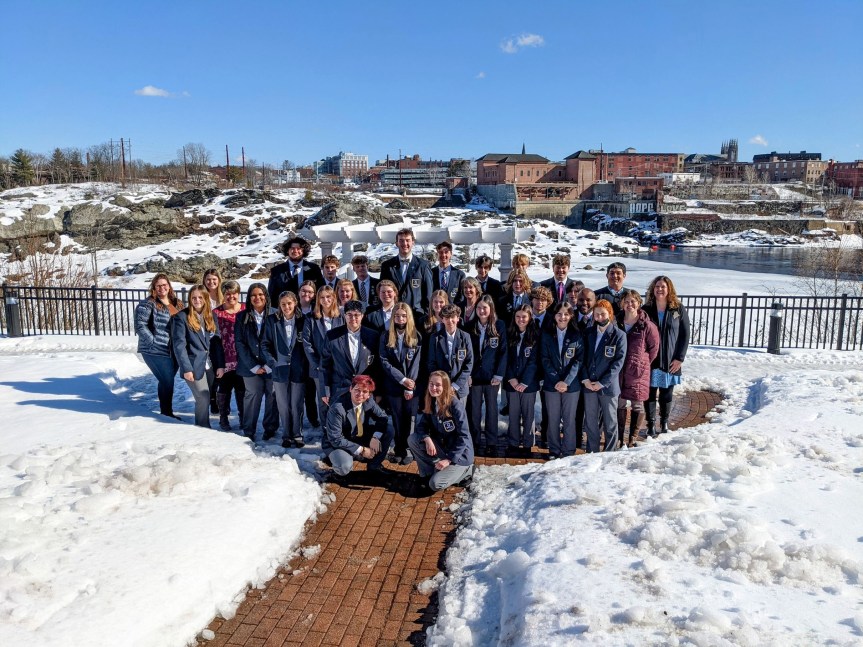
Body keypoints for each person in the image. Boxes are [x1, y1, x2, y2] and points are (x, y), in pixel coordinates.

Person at [408, 371, 475, 493]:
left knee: (436, 484)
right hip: (444, 449)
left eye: (438, 385)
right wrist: (427, 438)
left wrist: (449, 460)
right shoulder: (432, 402)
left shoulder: (455, 405)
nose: (433, 388)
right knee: (413, 439)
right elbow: (421, 426)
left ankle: (467, 472)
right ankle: (426, 474)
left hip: (460, 456)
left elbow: (464, 437)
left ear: (445, 386)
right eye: (431, 384)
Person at [642, 275, 691, 436]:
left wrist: (680, 358)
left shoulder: (677, 308)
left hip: (671, 361)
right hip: (651, 360)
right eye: (657, 287)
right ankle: (650, 425)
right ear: (652, 289)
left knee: (666, 393)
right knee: (649, 393)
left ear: (669, 289)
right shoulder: (647, 309)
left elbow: (685, 334)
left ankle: (664, 423)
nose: (660, 289)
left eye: (663, 286)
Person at [580, 300, 627, 453]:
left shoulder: (619, 335)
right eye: (597, 314)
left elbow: (618, 363)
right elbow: (582, 358)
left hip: (607, 387)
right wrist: (586, 379)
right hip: (589, 385)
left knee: (610, 422)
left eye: (603, 314)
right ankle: (592, 451)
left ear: (610, 314)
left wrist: (602, 382)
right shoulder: (588, 334)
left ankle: (610, 452)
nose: (600, 317)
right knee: (591, 422)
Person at [323, 375, 391, 481]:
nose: (360, 394)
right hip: (339, 443)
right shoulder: (337, 408)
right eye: (357, 390)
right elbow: (335, 439)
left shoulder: (369, 401)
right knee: (344, 467)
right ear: (350, 389)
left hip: (359, 436)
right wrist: (362, 450)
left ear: (369, 394)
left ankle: (374, 466)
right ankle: (337, 461)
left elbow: (383, 417)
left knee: (389, 429)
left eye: (365, 391)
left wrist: (376, 437)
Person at [379, 303, 423, 465]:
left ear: (408, 317)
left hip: (412, 386)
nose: (400, 318)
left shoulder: (415, 335)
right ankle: (399, 449)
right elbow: (384, 361)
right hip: (393, 385)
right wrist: (402, 380)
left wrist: (409, 385)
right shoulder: (385, 336)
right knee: (397, 419)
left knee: (410, 419)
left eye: (404, 315)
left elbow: (417, 363)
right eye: (397, 316)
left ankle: (411, 450)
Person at [134, 273, 183, 420]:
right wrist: (153, 342)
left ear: (169, 286)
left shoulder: (177, 303)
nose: (162, 288)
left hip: (173, 349)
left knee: (166, 380)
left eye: (164, 285)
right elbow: (140, 325)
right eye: (158, 285)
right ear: (154, 288)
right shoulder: (148, 303)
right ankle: (166, 413)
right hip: (154, 350)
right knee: (167, 379)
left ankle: (166, 412)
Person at [263, 291, 308, 448]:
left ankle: (297, 434)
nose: (287, 307)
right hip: (279, 369)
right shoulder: (272, 321)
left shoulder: (303, 320)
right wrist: (272, 361)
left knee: (296, 404)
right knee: (283, 404)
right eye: (283, 304)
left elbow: (308, 344)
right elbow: (265, 344)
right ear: (279, 306)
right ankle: (286, 435)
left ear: (295, 303)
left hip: (298, 368)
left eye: (289, 303)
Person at [235, 283, 279, 441]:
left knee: (272, 395)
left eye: (260, 294)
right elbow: (240, 343)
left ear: (266, 296)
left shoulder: (275, 314)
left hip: (271, 365)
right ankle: (248, 430)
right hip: (250, 366)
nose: (257, 298)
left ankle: (270, 428)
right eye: (253, 295)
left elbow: (279, 342)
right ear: (249, 298)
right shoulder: (242, 316)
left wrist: (269, 364)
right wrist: (253, 366)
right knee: (252, 395)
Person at [615, 290, 660, 447]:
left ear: (639, 304)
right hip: (619, 370)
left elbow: (653, 349)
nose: (629, 304)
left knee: (637, 404)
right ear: (622, 304)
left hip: (637, 371)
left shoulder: (647, 326)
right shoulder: (616, 322)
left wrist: (641, 362)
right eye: (626, 301)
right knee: (619, 403)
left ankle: (632, 437)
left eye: (633, 301)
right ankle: (620, 438)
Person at [540, 302, 584, 458]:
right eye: (559, 314)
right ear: (554, 316)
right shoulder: (547, 334)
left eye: (566, 314)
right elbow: (544, 359)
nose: (562, 317)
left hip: (571, 386)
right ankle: (554, 449)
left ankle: (568, 450)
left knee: (569, 419)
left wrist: (566, 381)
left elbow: (578, 361)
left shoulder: (577, 335)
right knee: (553, 418)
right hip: (551, 384)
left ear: (571, 315)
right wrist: (556, 380)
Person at [171, 284, 218, 428]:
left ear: (205, 299)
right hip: (193, 365)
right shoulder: (181, 317)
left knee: (207, 396)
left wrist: (220, 365)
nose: (197, 300)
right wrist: (186, 369)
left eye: (200, 297)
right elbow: (179, 346)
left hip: (210, 365)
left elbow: (217, 342)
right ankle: (203, 428)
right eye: (193, 298)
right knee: (202, 397)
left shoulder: (211, 316)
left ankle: (204, 424)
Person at [465, 295, 507, 455]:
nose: (482, 311)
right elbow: (466, 352)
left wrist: (499, 375)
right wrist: (467, 374)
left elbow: (503, 352)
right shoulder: (469, 326)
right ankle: (474, 441)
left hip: (492, 377)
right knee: (474, 410)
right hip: (474, 377)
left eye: (485, 308)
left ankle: (491, 442)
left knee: (492, 410)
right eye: (479, 308)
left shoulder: (499, 325)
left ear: (491, 309)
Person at [321, 300, 380, 403]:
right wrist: (325, 391)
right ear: (344, 315)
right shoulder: (332, 336)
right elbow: (324, 365)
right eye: (349, 315)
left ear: (362, 316)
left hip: (364, 391)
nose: (353, 318)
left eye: (357, 315)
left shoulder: (373, 336)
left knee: (361, 419)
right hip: (339, 390)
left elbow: (377, 367)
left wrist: (378, 392)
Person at [302, 286, 343, 426]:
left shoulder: (341, 317)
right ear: (318, 299)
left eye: (329, 297)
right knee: (323, 400)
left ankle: (338, 430)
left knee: (338, 399)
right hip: (319, 367)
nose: (326, 300)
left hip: (339, 367)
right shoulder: (311, 319)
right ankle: (326, 432)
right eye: (322, 297)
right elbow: (307, 344)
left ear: (333, 298)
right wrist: (317, 364)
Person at [504, 305, 540, 456]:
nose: (521, 320)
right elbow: (506, 358)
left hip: (528, 384)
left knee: (528, 415)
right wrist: (511, 378)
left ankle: (527, 443)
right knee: (513, 413)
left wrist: (524, 382)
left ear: (530, 318)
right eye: (518, 316)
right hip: (512, 382)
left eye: (524, 317)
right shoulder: (509, 333)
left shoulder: (535, 335)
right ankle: (513, 443)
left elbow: (534, 361)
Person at [211, 280, 246, 431]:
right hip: (225, 358)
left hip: (243, 358)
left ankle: (244, 417)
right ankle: (223, 418)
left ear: (238, 294)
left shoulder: (245, 309)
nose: (231, 297)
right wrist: (218, 363)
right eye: (227, 294)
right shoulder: (217, 313)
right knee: (224, 389)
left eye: (234, 294)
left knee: (242, 389)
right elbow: (215, 338)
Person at [379, 227, 433, 316]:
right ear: (396, 243)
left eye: (408, 240)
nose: (405, 243)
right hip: (394, 315)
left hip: (417, 315)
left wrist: (426, 316)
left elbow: (428, 294)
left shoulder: (423, 265)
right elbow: (382, 292)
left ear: (413, 243)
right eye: (401, 240)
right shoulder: (387, 266)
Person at [428, 304, 474, 404]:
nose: (450, 321)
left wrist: (455, 386)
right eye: (447, 317)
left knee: (459, 417)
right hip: (440, 389)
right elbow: (432, 363)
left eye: (453, 317)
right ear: (442, 319)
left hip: (459, 389)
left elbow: (469, 364)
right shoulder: (435, 338)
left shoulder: (465, 337)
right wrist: (442, 384)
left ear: (458, 318)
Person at [267, 236, 324, 304]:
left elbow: (321, 291)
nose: (295, 251)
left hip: (309, 310)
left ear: (303, 251)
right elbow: (271, 295)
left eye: (298, 248)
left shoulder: (314, 269)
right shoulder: (276, 271)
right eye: (292, 248)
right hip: (285, 311)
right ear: (288, 251)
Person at [297, 280, 319, 427]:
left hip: (312, 354)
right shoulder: (293, 308)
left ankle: (313, 418)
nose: (306, 294)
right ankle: (296, 420)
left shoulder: (316, 310)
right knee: (298, 391)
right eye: (304, 291)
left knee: (311, 390)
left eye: (310, 292)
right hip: (296, 355)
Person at [202, 268, 224, 415]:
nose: (211, 282)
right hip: (208, 337)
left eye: (214, 279)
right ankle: (212, 397)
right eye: (208, 279)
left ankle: (218, 398)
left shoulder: (223, 296)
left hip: (223, 337)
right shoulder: (201, 296)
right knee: (212, 369)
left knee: (222, 369)